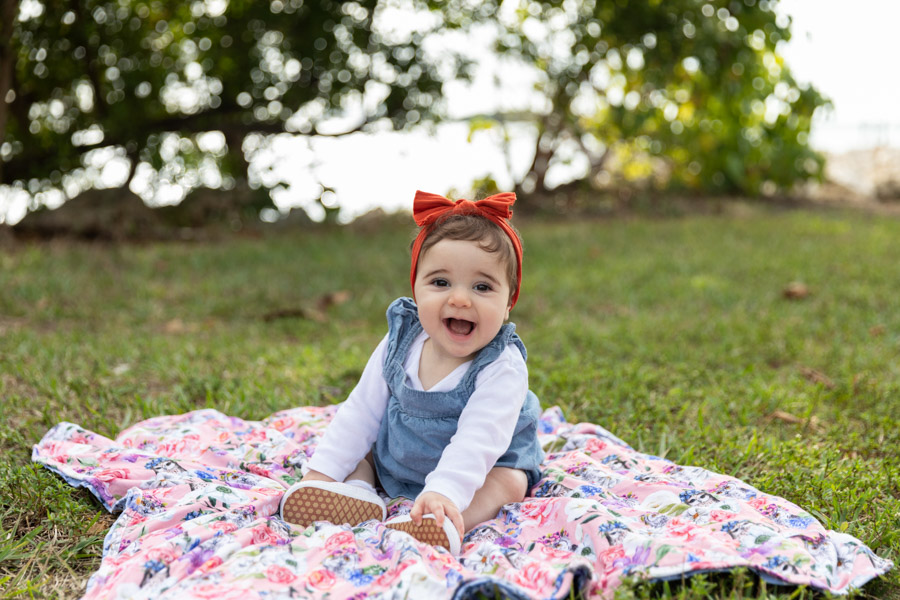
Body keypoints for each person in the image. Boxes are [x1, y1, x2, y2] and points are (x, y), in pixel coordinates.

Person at [279, 190, 544, 554]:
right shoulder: (400, 340)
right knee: (363, 449)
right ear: (416, 290)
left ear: (509, 303)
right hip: (399, 453)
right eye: (440, 282)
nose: (460, 299)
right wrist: (321, 473)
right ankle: (356, 493)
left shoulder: (502, 365)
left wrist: (444, 491)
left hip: (483, 466)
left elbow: (479, 441)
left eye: (482, 287)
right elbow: (361, 410)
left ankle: (449, 521)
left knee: (510, 482)